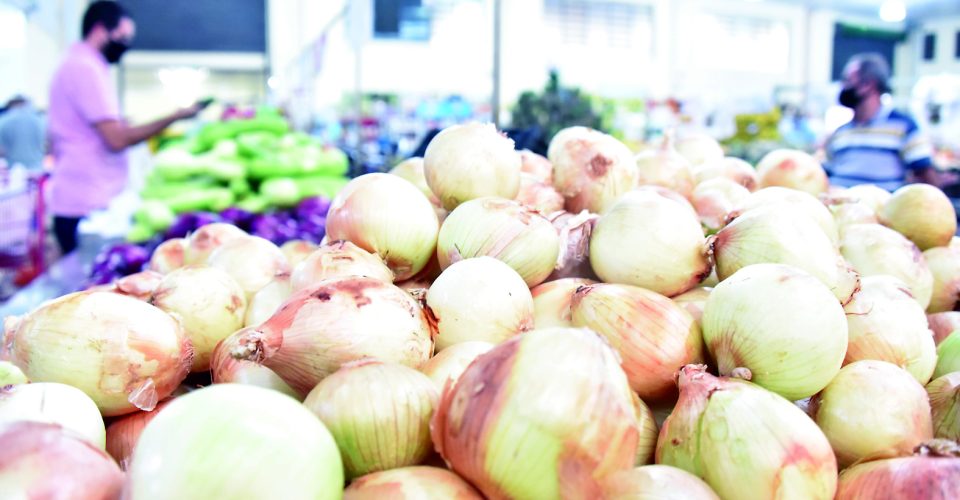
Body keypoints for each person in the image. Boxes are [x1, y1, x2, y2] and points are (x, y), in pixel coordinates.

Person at [47, 1, 204, 254]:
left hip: (82, 198)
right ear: (100, 30)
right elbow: (117, 139)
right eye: (123, 36)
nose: (126, 44)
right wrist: (175, 116)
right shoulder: (85, 68)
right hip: (86, 207)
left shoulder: (78, 64)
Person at [825, 52, 947, 191]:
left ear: (868, 84)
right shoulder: (841, 132)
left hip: (880, 212)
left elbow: (926, 175)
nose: (843, 86)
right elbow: (827, 173)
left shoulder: (903, 127)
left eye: (848, 80)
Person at [0, 95, 45, 170]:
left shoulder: (4, 120)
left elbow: (1, 150)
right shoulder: (40, 121)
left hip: (13, 171)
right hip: (37, 170)